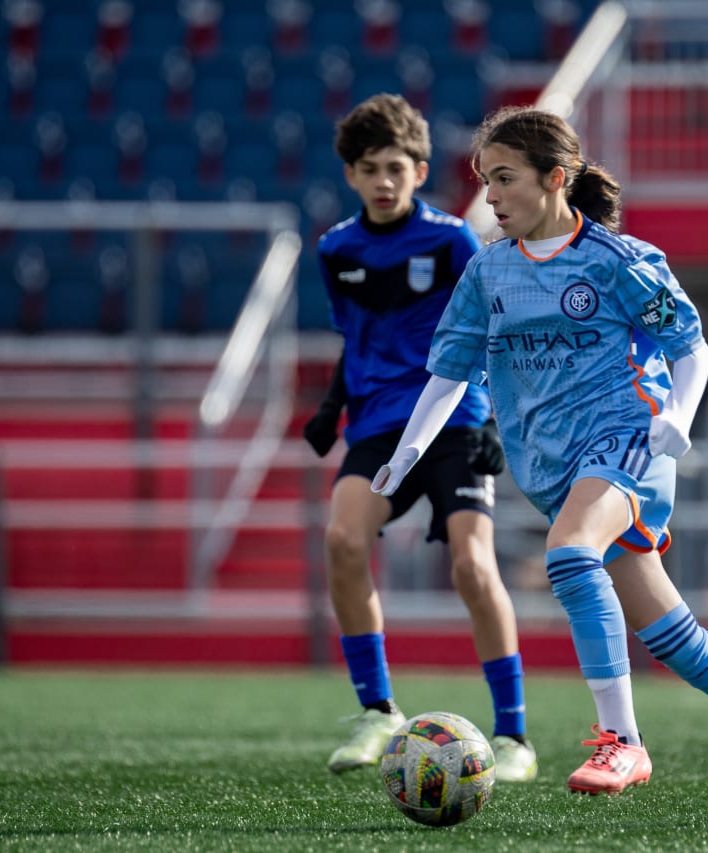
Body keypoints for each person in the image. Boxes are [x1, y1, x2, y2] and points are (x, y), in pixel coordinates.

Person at [371, 105, 708, 820]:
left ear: (555, 179)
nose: (491, 194)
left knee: (570, 553)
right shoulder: (488, 273)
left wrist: (677, 415)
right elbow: (450, 372)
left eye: (505, 178)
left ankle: (623, 739)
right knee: (678, 641)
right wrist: (408, 451)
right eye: (485, 180)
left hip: (629, 439)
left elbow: (691, 345)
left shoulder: (617, 260)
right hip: (552, 468)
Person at [304, 94, 538, 782]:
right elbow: (355, 338)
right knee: (343, 541)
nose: (384, 180)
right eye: (370, 168)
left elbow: (489, 331)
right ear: (350, 174)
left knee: (472, 565)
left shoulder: (450, 241)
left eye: (396, 167)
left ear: (420, 170)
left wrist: (492, 416)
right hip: (377, 423)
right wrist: (331, 403)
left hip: (454, 419)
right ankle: (378, 709)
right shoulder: (334, 248)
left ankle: (513, 734)